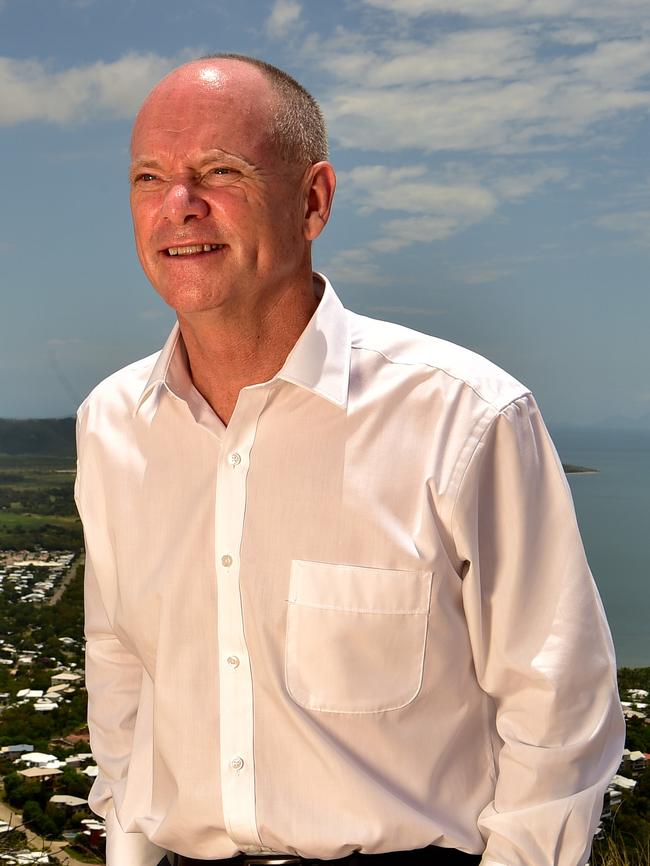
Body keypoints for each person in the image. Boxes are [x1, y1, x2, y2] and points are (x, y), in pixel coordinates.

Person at [74, 54, 625, 866]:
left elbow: (561, 712)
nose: (178, 207)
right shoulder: (110, 426)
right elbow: (122, 675)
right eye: (149, 178)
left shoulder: (463, 414)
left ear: (313, 200)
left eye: (219, 172)